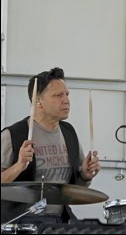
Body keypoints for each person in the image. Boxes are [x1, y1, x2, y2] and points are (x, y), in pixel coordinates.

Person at [1, 67, 101, 226]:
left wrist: (85, 176)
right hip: (21, 222)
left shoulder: (69, 133)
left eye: (67, 94)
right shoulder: (12, 135)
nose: (66, 100)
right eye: (58, 95)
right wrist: (19, 166)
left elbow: (74, 189)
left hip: (60, 222)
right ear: (38, 101)